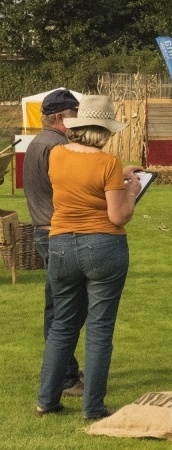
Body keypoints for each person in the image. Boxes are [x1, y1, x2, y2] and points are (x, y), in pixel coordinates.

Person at [36, 95, 141, 420]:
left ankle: (46, 401)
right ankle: (92, 408)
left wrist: (117, 178)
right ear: (105, 130)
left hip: (61, 246)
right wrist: (132, 190)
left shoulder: (56, 155)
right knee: (99, 328)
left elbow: (81, 180)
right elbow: (118, 216)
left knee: (63, 326)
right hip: (103, 247)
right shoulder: (107, 162)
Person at [23, 89, 87, 399]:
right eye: (76, 113)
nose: (80, 119)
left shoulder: (38, 142)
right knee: (67, 309)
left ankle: (62, 372)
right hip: (58, 233)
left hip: (45, 229)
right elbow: (74, 190)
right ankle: (63, 377)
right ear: (61, 117)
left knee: (59, 307)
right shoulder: (58, 147)